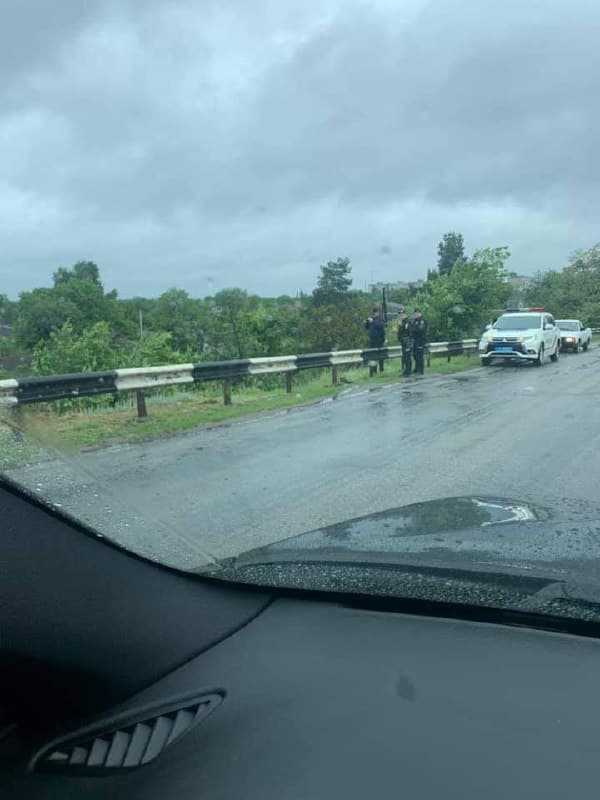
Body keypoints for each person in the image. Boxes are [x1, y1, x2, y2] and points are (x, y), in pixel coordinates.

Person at [364, 306, 386, 372]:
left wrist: (373, 321)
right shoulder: (371, 319)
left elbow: (380, 326)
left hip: (379, 340)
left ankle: (381, 369)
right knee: (372, 356)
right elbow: (367, 327)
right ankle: (373, 371)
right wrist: (367, 322)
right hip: (372, 341)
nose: (374, 314)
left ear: (378, 313)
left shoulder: (381, 319)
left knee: (380, 356)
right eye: (373, 313)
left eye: (376, 313)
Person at [411, 308, 428, 376]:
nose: (414, 315)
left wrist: (413, 329)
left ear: (418, 313)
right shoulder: (415, 321)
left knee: (419, 355)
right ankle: (416, 368)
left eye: (415, 314)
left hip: (421, 340)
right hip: (415, 340)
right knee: (415, 354)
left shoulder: (422, 320)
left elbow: (420, 330)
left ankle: (421, 370)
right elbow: (412, 329)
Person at [397, 309, 413, 377]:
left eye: (402, 314)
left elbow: (408, 332)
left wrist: (409, 342)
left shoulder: (407, 322)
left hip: (407, 342)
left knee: (407, 357)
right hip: (403, 342)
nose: (400, 316)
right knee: (404, 357)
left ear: (405, 315)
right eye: (400, 315)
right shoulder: (402, 322)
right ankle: (406, 370)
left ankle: (408, 371)